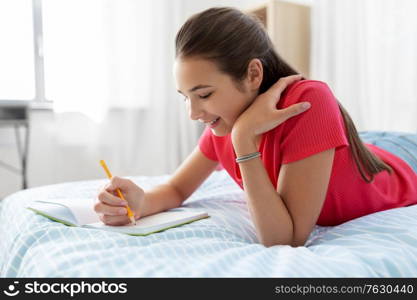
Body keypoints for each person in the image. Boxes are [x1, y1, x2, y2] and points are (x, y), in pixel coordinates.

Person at [94, 7, 417, 247]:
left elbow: (285, 239)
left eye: (204, 94)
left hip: (400, 160)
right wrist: (139, 202)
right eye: (185, 97)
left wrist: (243, 141)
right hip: (355, 148)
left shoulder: (306, 101)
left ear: (253, 75)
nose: (194, 113)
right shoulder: (225, 121)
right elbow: (177, 189)